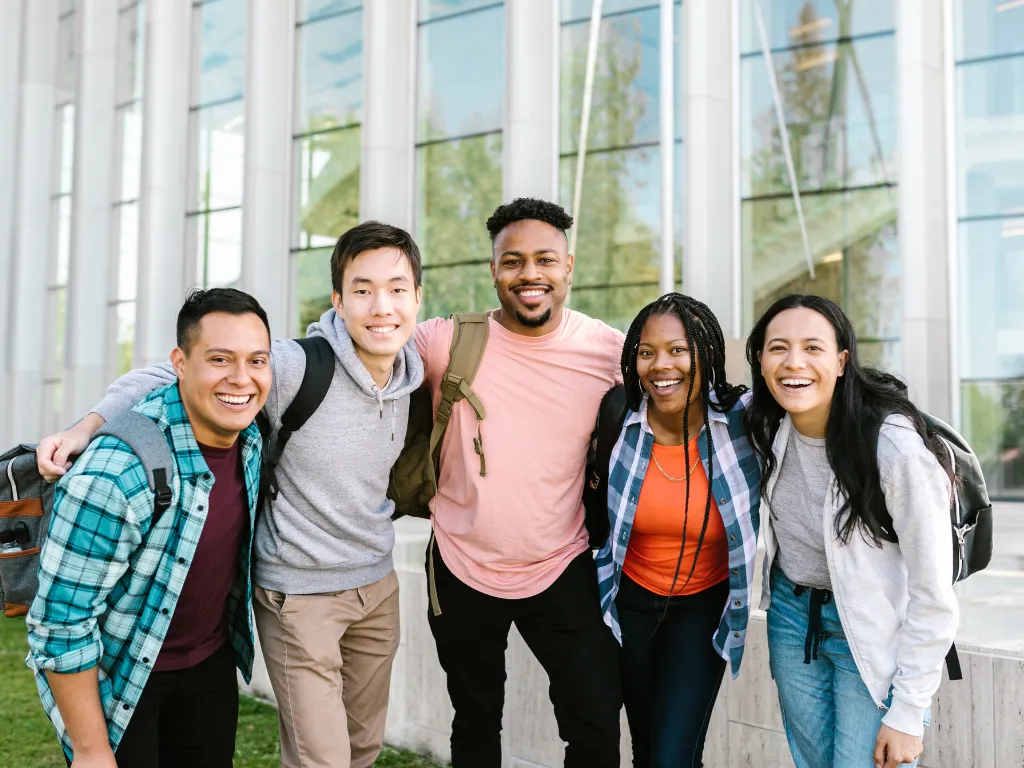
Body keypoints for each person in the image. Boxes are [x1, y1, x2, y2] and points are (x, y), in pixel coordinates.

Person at [34, 222, 425, 768]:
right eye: (362, 290)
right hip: (300, 593)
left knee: (362, 749)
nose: (381, 306)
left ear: (418, 298)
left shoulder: (415, 368)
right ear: (339, 301)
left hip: (373, 585)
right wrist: (85, 427)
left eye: (397, 289)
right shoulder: (290, 365)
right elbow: (161, 377)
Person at [414, 198, 626, 767]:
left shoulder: (610, 351)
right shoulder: (446, 342)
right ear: (493, 271)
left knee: (596, 724)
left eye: (545, 260)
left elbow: (688, 384)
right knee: (476, 720)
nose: (529, 275)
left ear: (569, 266)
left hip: (563, 562)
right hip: (460, 565)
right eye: (512, 261)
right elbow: (357, 349)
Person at [27, 288, 272, 767]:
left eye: (256, 361)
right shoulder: (116, 471)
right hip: (123, 673)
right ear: (179, 363)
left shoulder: (251, 436)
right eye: (220, 359)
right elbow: (59, 623)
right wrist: (93, 752)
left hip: (208, 662)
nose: (241, 380)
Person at [744, 294, 958, 768]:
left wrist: (908, 711)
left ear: (841, 361)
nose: (793, 362)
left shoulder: (892, 448)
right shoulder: (767, 426)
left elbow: (933, 593)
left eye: (813, 348)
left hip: (871, 628)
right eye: (778, 348)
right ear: (760, 361)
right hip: (792, 618)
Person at [594, 293, 761, 767]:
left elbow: (817, 414)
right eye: (646, 352)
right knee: (648, 750)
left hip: (702, 607)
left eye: (678, 350)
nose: (660, 365)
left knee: (671, 757)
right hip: (628, 602)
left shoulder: (742, 420)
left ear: (706, 353)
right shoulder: (618, 416)